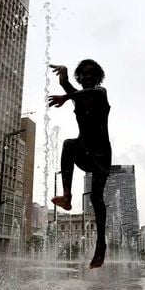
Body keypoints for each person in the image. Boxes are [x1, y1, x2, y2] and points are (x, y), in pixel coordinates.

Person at [47, 60, 111, 268]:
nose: (87, 77)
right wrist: (64, 75)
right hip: (84, 150)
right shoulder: (78, 97)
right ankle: (67, 197)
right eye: (83, 74)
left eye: (92, 74)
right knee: (68, 144)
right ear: (79, 77)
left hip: (101, 155)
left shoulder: (101, 93)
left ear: (98, 77)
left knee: (96, 197)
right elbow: (68, 87)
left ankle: (101, 244)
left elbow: (84, 94)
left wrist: (67, 96)